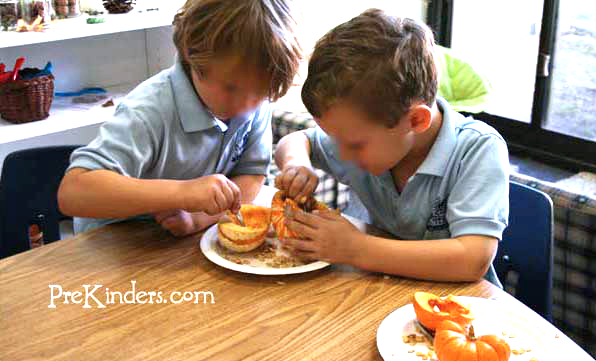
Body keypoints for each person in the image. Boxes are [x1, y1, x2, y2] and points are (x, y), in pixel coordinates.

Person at [274, 9, 509, 285]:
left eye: (354, 145)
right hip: (375, 291)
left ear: (416, 120)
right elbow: (297, 140)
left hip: (455, 309)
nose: (342, 154)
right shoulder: (367, 137)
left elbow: (472, 259)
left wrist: (355, 248)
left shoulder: (476, 150)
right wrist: (296, 164)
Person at [58, 0, 302, 237]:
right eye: (231, 88)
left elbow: (251, 175)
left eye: (260, 94)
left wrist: (200, 218)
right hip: (112, 247)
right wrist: (183, 192)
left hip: (179, 246)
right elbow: (74, 192)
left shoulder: (252, 103)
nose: (245, 107)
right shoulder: (147, 112)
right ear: (192, 54)